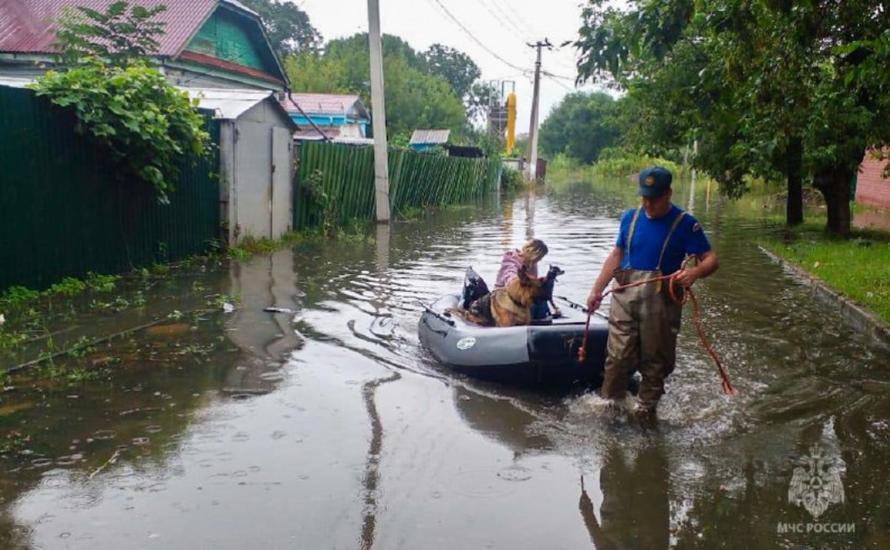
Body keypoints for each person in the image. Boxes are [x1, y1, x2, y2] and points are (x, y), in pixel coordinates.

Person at [586, 166, 718, 418]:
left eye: (654, 199)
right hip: (624, 299)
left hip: (661, 305)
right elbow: (617, 255)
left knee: (655, 361)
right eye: (644, 197)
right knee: (617, 356)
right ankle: (610, 407)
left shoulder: (685, 224)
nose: (647, 204)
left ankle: (646, 413)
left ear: (668, 194)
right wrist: (596, 290)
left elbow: (711, 259)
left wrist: (694, 273)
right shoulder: (630, 218)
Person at [496, 238, 551, 319]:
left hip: (522, 295)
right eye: (539, 257)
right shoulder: (511, 258)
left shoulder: (532, 263)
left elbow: (532, 284)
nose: (540, 260)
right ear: (533, 253)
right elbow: (509, 275)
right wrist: (521, 280)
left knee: (541, 302)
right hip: (504, 295)